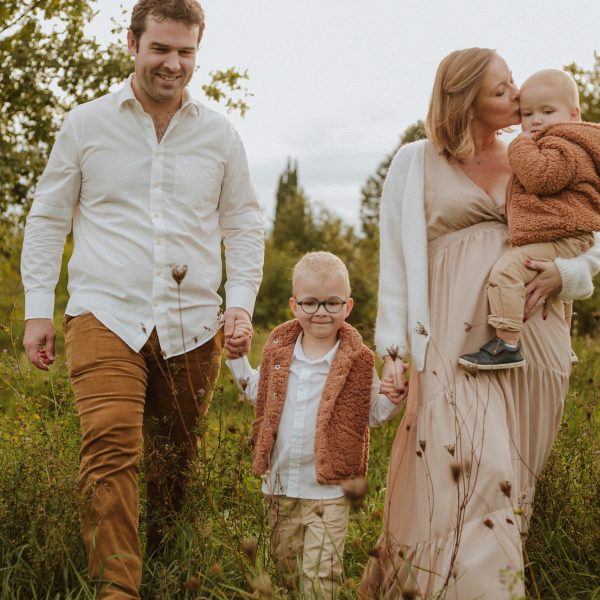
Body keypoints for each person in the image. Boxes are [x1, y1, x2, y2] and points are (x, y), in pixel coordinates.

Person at [20, 0, 264, 597]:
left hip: (193, 324)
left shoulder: (220, 133)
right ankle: (117, 588)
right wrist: (36, 310)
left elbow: (245, 223)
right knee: (110, 446)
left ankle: (170, 568)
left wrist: (241, 304)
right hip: (104, 312)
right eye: (161, 48)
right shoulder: (86, 124)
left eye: (185, 52)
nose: (173, 64)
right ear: (133, 44)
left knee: (174, 464)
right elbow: (49, 218)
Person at [359, 48, 600, 599]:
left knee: (515, 476)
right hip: (450, 338)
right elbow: (395, 261)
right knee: (469, 465)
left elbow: (590, 227)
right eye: (501, 90)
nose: (517, 97)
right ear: (465, 101)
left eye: (513, 83)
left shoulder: (541, 152)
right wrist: (393, 348)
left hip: (535, 332)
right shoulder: (414, 161)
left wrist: (569, 273)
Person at [227, 251, 405, 599]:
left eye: (331, 303)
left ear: (347, 306)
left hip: (329, 490)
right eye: (310, 303)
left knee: (321, 578)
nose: (321, 312)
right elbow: (256, 393)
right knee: (288, 576)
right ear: (294, 305)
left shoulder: (357, 361)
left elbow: (373, 413)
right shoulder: (278, 353)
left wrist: (394, 397)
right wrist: (236, 359)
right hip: (280, 487)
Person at [459, 69, 600, 370]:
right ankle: (563, 344)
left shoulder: (563, 145)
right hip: (565, 232)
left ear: (574, 115)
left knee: (507, 272)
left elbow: (540, 177)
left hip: (562, 234)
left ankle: (506, 344)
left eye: (547, 112)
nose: (536, 120)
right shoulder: (564, 141)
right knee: (556, 298)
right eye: (528, 113)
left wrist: (520, 145)